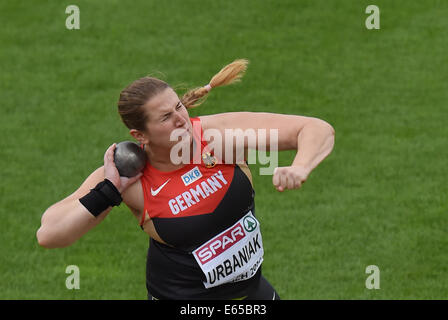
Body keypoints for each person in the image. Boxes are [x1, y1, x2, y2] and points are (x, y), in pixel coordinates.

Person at [36, 59, 335, 300]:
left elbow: (314, 129)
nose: (181, 120)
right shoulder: (129, 178)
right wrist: (108, 191)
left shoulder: (217, 138)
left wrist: (301, 167)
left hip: (250, 292)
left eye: (178, 106)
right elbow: (49, 233)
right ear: (140, 135)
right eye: (165, 118)